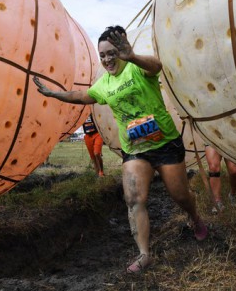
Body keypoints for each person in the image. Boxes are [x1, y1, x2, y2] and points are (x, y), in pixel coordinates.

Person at [33, 25, 207, 273]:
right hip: (135, 150)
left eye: (111, 53)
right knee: (134, 199)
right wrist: (54, 94)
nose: (106, 60)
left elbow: (156, 66)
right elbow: (81, 97)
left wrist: (133, 56)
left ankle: (195, 217)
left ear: (122, 50)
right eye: (102, 55)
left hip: (165, 144)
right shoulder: (103, 84)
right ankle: (144, 254)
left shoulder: (138, 68)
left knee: (180, 196)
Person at [205, 145, 236, 214]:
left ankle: (232, 194)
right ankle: (217, 201)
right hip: (212, 137)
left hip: (229, 138)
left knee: (234, 171)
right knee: (213, 168)